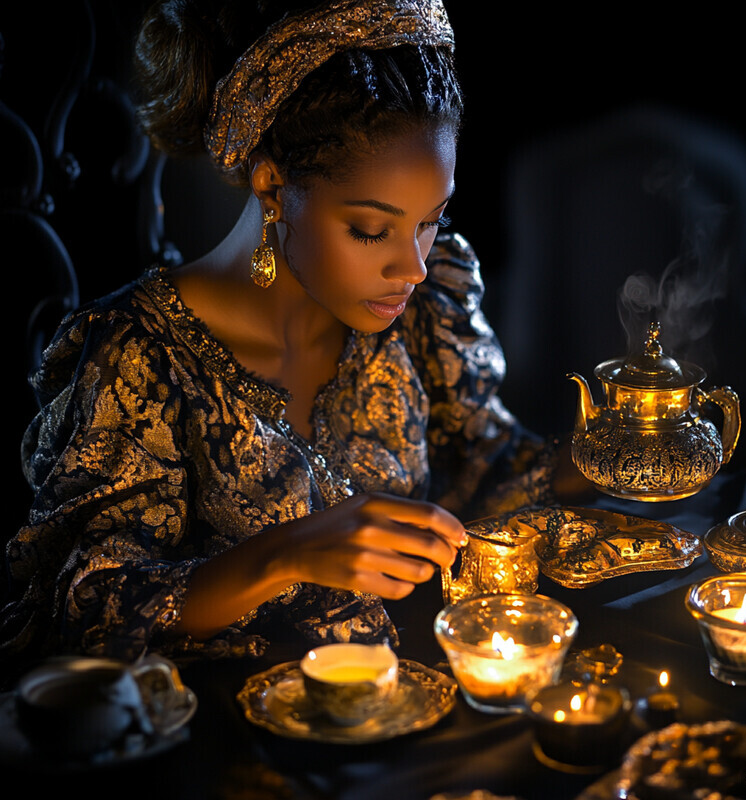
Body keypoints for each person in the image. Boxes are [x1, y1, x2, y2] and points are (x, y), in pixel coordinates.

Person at [1, 0, 590, 675]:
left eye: (430, 220)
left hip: (405, 723)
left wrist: (620, 452)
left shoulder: (427, 301)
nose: (414, 266)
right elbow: (83, 610)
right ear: (272, 185)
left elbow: (481, 467)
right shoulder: (139, 355)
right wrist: (287, 553)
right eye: (372, 230)